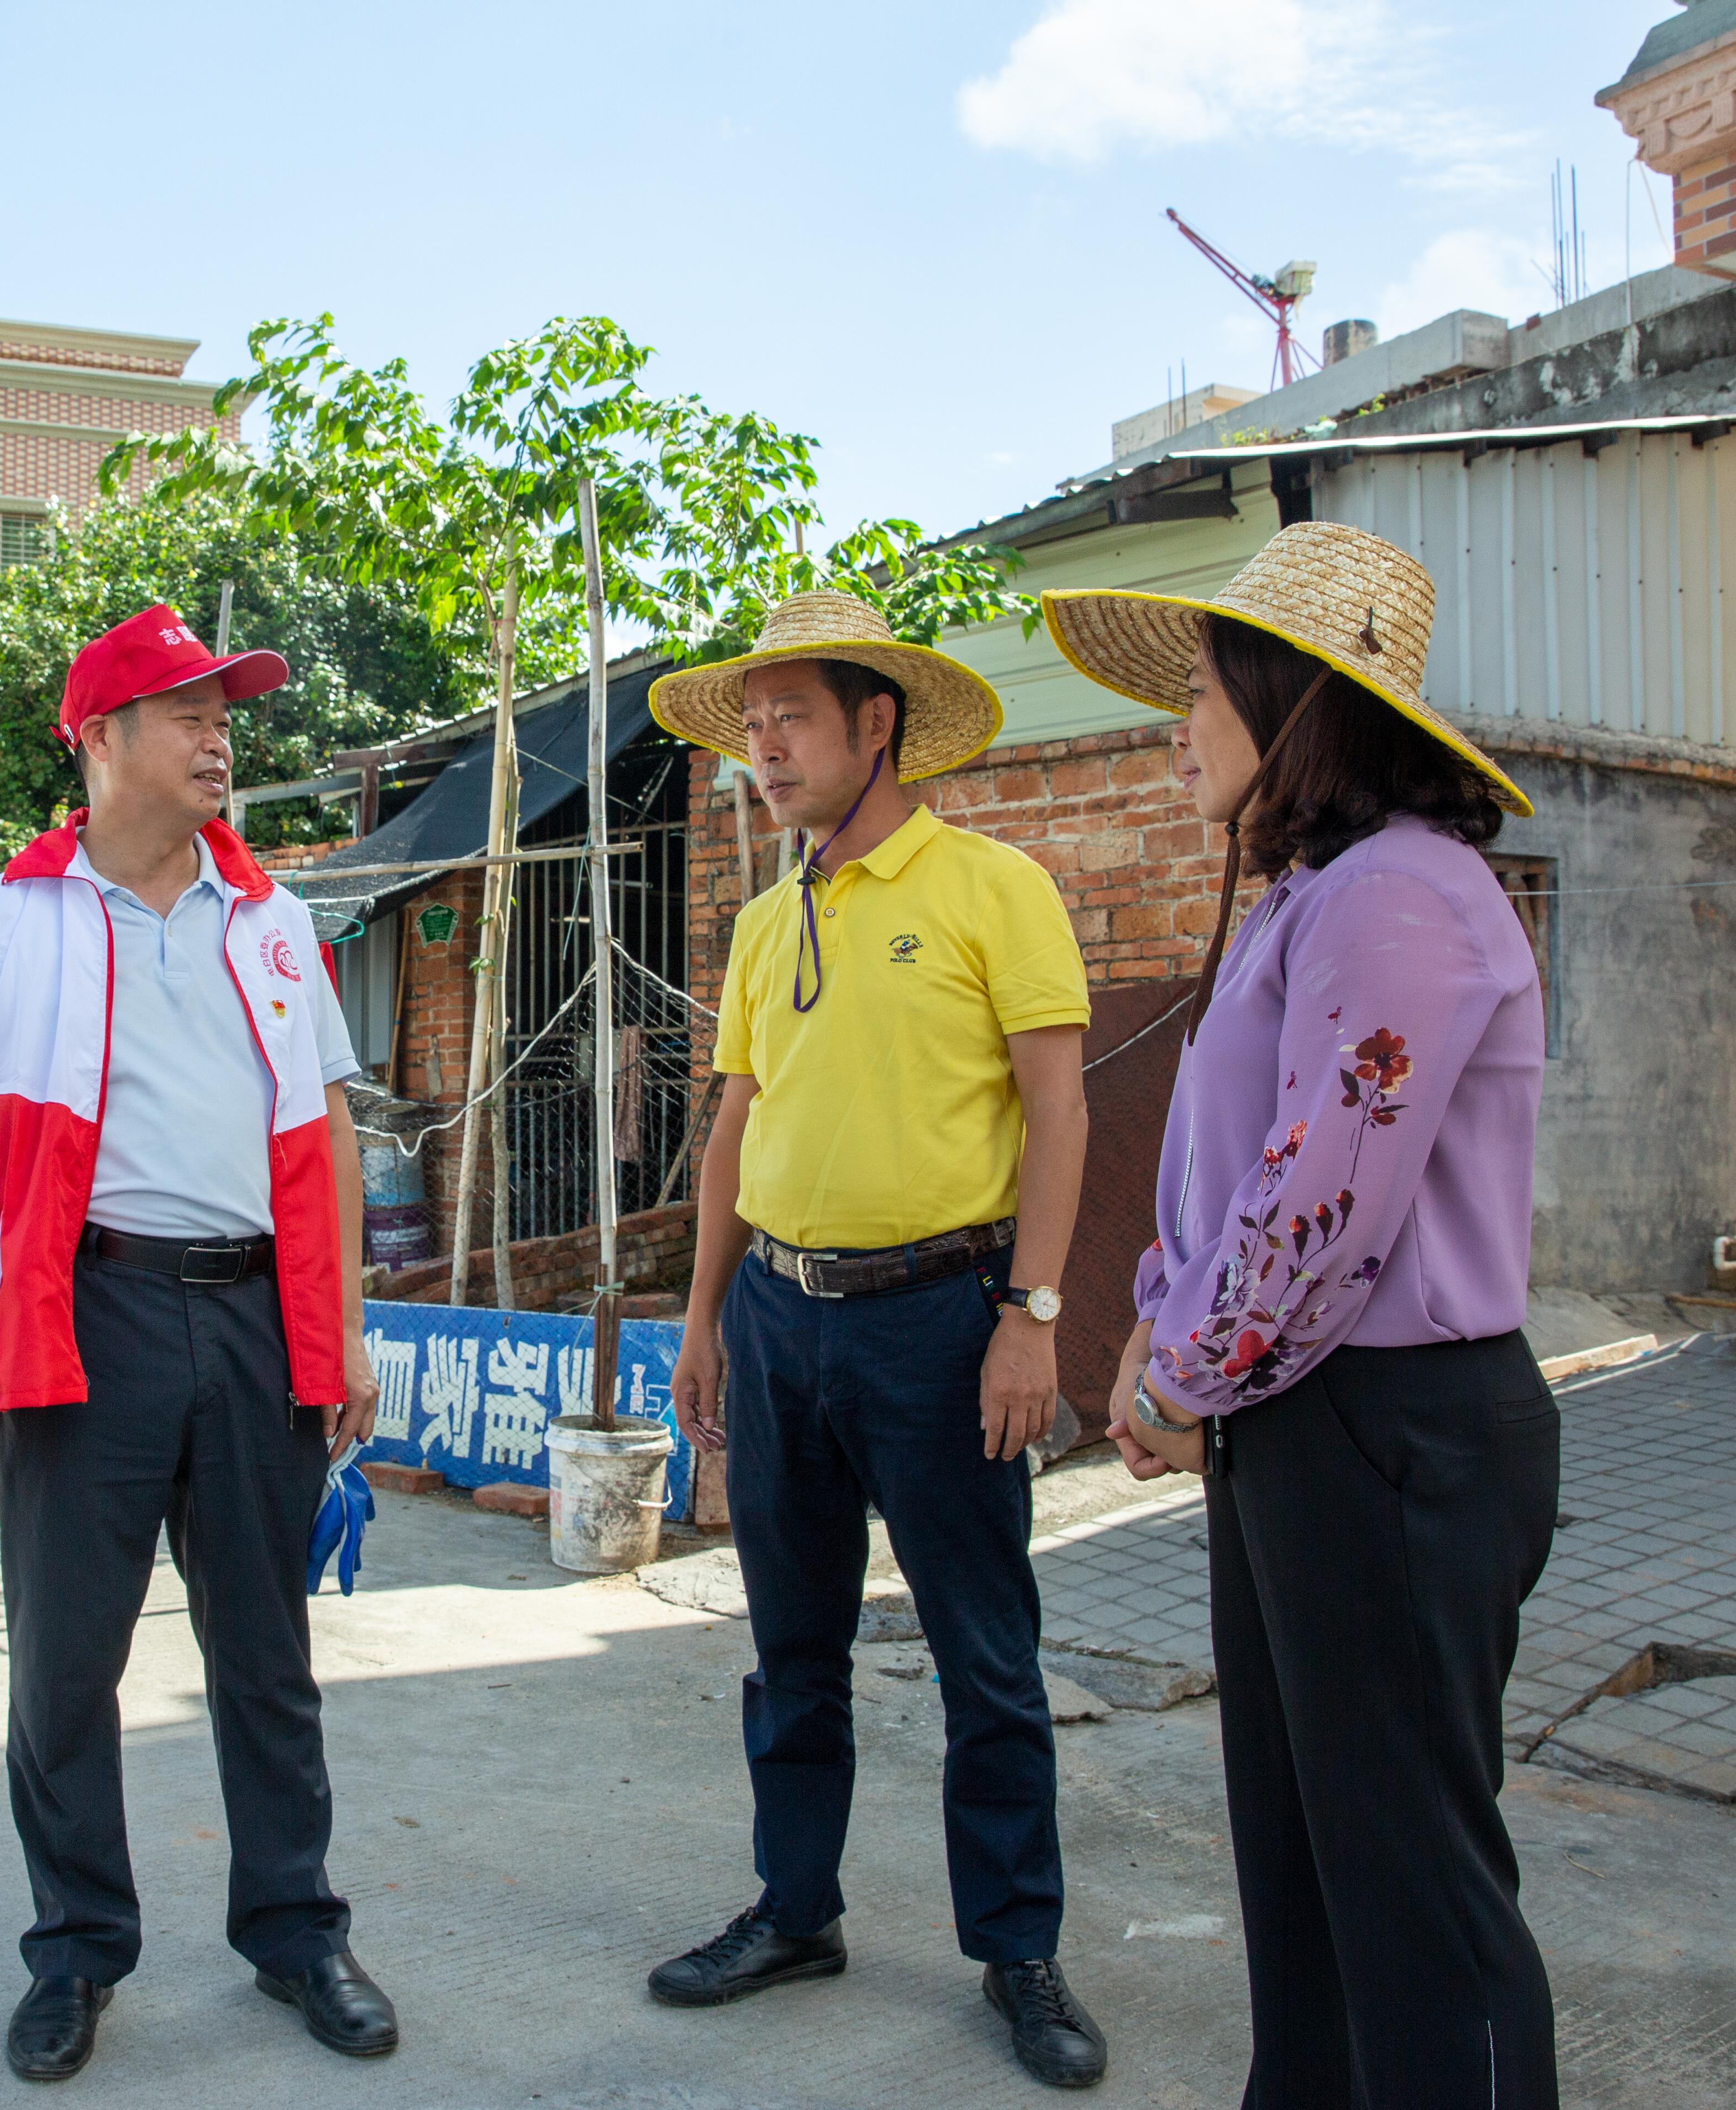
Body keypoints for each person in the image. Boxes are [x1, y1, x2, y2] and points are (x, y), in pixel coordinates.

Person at [1044, 520, 1560, 2109]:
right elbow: (1236, 1188)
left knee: (1410, 1889)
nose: (1174, 726)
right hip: (1309, 1420)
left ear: (1299, 706)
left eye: (1201, 693)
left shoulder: (1401, 893)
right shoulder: (1314, 893)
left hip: (1393, 1434)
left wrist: (1183, 1375)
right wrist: (1159, 1335)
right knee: (1307, 1856)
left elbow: (1324, 1210)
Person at [0, 603, 395, 2083]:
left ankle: (298, 1930)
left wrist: (349, 1336)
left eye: (225, 709)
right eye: (186, 710)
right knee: (66, 1667)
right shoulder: (9, 920)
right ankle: (75, 1952)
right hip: (87, 1317)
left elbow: (329, 1137)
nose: (218, 735)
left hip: (255, 1320)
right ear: (101, 737)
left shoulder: (277, 922)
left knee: (269, 1654)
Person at [647, 590, 1108, 2091]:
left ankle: (1020, 1951)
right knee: (791, 1648)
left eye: (790, 720)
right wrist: (705, 1316)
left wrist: (1032, 1319)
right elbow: (734, 1127)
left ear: (877, 725)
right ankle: (795, 1911)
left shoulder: (992, 889)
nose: (763, 752)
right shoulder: (770, 917)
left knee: (985, 1654)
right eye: (750, 726)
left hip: (940, 1320)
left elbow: (1060, 1112)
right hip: (780, 1320)